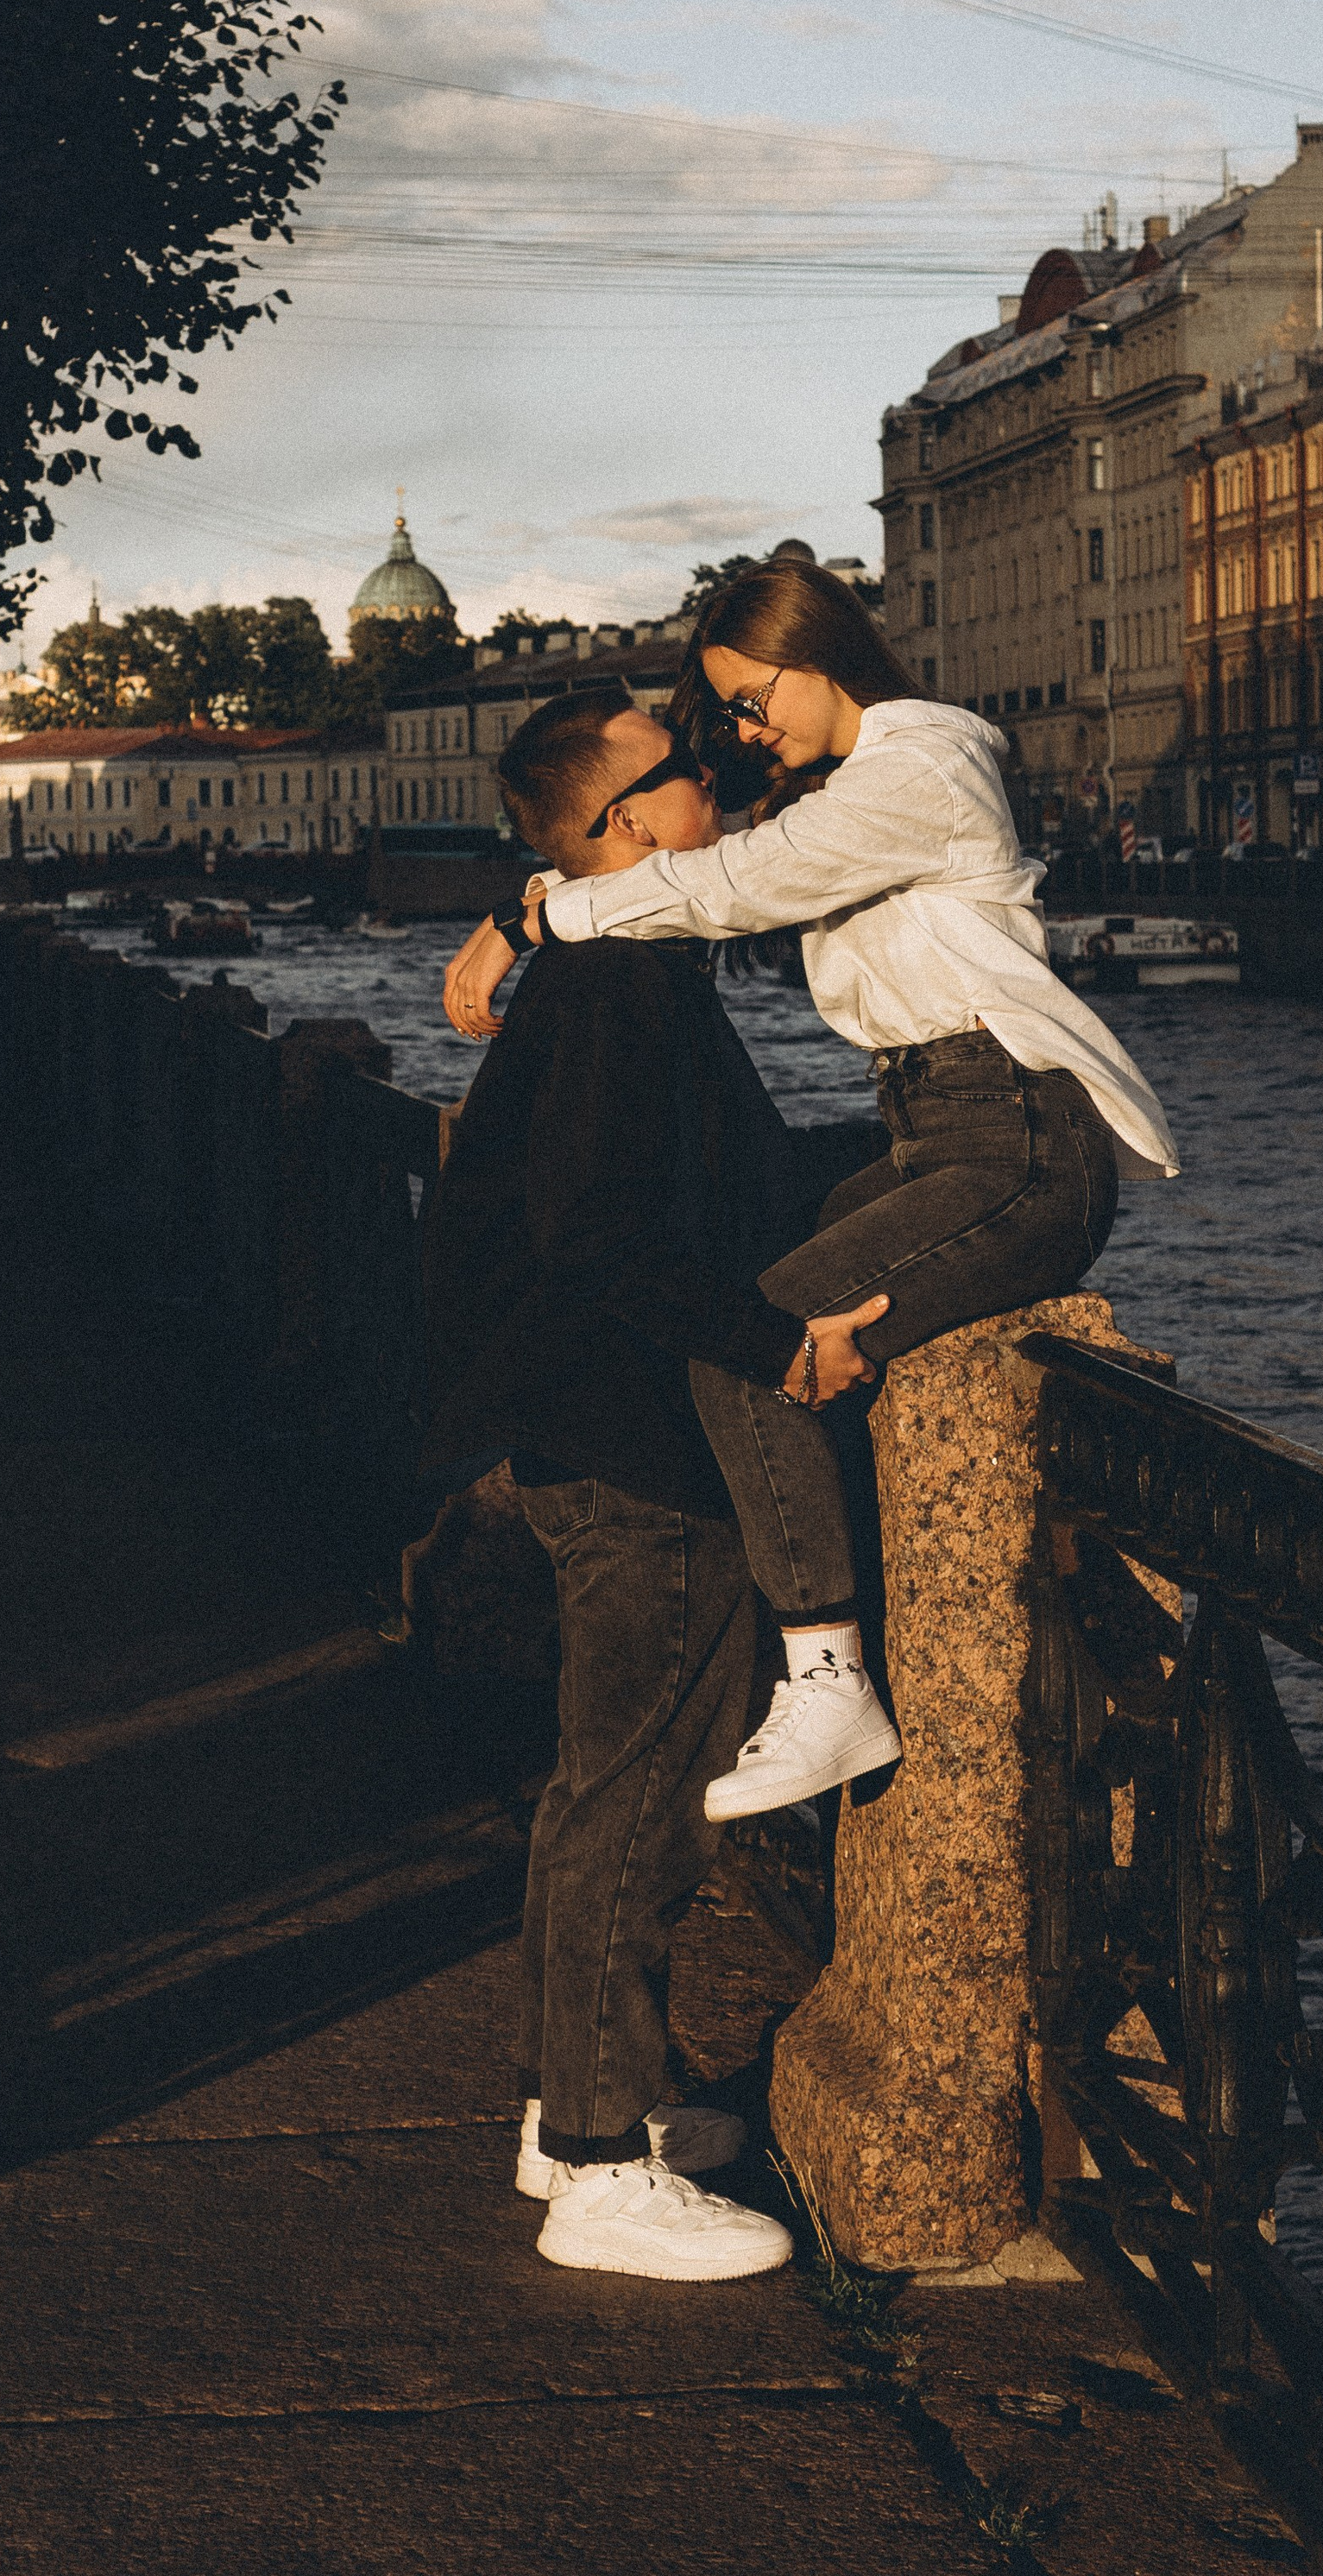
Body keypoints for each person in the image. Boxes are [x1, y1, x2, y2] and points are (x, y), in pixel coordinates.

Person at [444, 559, 1178, 1823]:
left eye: (748, 693)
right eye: (721, 708)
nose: (739, 727)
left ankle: (827, 1677)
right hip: (938, 1129)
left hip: (1016, 1141)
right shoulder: (842, 786)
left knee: (762, 1343)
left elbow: (731, 888)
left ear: (817, 648)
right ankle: (882, 1623)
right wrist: (542, 900)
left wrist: (535, 922)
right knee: (767, 1306)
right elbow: (683, 835)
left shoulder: (923, 766)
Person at [419, 679, 894, 2281]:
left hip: (573, 1423)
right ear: (634, 826)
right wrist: (775, 1354)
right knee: (636, 1804)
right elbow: (605, 1233)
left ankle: (573, 2118)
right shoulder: (624, 986)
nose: (721, 780)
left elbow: (684, 1189)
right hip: (641, 1441)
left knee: (591, 1792)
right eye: (690, 768)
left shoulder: (602, 964)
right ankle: (610, 2171)